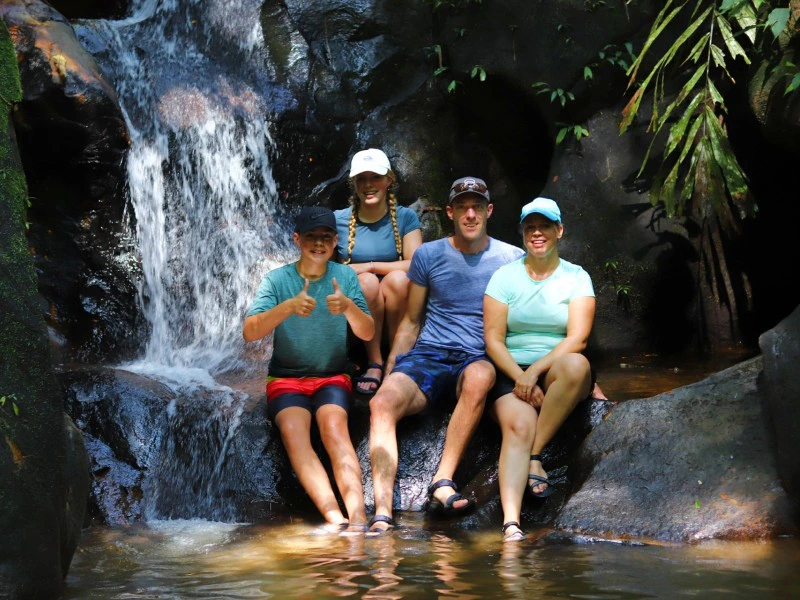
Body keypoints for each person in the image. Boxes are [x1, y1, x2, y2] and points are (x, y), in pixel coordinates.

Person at [367, 176, 524, 535]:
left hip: (477, 356)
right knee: (381, 405)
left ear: (489, 211)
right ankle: (382, 512)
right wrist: (391, 368)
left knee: (482, 376)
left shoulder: (511, 258)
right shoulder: (428, 255)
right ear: (450, 212)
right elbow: (410, 320)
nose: (471, 214)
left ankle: (442, 480)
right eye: (463, 207)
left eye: (478, 207)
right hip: (430, 354)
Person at [243, 206, 374, 535]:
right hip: (286, 378)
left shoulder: (344, 277)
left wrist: (347, 307)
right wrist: (287, 307)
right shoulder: (277, 279)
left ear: (334, 241)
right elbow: (250, 331)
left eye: (326, 238)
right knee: (294, 432)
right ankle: (335, 518)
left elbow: (368, 332)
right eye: (312, 237)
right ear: (297, 240)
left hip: (332, 376)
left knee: (334, 428)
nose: (319, 244)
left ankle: (357, 517)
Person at [483, 197, 597, 542]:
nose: (537, 233)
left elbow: (577, 338)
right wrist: (519, 376)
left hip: (554, 367)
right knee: (519, 424)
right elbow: (493, 339)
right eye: (530, 227)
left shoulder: (577, 277)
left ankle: (535, 454)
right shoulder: (504, 277)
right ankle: (511, 523)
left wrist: (534, 372)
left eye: (544, 226)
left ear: (559, 231)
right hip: (509, 368)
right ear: (522, 234)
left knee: (577, 364)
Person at [335, 148, 423, 396]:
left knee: (397, 279)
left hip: (398, 306)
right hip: (358, 318)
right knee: (367, 283)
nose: (368, 185)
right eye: (361, 179)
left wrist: (371, 266)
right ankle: (375, 362)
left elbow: (415, 264)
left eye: (375, 177)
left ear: (389, 180)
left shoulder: (405, 217)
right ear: (354, 184)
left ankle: (397, 355)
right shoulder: (339, 220)